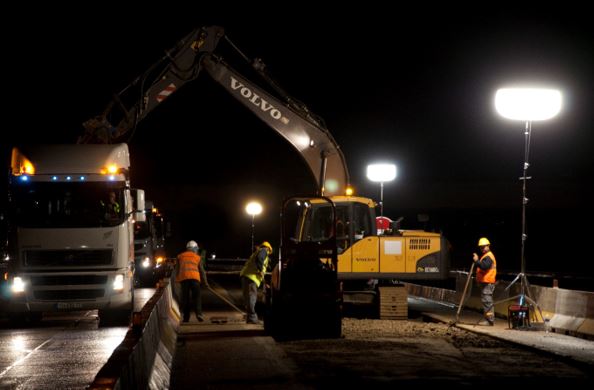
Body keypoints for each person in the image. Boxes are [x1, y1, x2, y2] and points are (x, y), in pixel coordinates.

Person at [176, 240, 209, 323]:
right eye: (196, 249)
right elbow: (202, 271)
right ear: (194, 248)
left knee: (185, 299)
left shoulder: (180, 256)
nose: (197, 250)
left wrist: (177, 280)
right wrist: (205, 283)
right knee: (197, 297)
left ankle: (186, 318)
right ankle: (199, 314)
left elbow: (177, 270)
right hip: (195, 279)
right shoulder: (197, 257)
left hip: (184, 279)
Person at [240, 241, 272, 324]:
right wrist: (261, 270)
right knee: (252, 297)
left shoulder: (257, 251)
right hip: (252, 277)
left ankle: (249, 318)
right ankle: (252, 317)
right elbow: (260, 259)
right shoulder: (264, 250)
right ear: (268, 248)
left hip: (245, 275)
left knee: (247, 298)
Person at [472, 237, 497, 326]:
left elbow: (484, 266)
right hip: (486, 283)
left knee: (487, 302)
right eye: (481, 247)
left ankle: (489, 320)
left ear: (488, 246)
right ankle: (488, 319)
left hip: (488, 283)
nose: (482, 248)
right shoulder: (486, 256)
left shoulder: (488, 256)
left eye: (484, 246)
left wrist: (477, 261)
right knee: (486, 301)